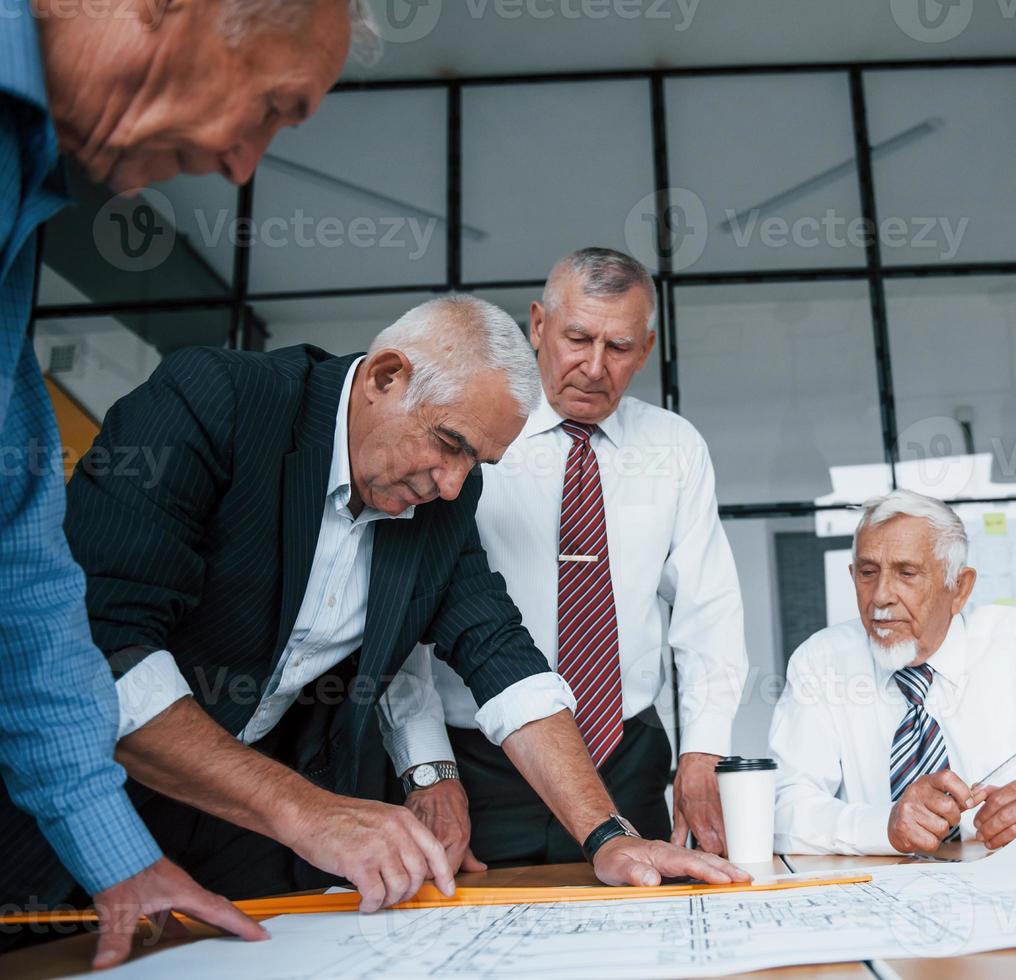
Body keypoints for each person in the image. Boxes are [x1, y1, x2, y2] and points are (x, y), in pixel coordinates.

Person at [0, 294, 748, 935]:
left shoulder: (442, 501)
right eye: (449, 444)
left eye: (476, 465)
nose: (455, 487)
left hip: (248, 830)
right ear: (387, 377)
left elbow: (500, 657)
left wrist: (607, 834)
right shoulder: (219, 402)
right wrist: (309, 812)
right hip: (69, 799)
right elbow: (103, 648)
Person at [0, 0, 369, 964]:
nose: (243, 165)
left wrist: (118, 857)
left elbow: (25, 575)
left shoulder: (25, 197)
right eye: (271, 105)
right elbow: (108, 624)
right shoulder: (221, 398)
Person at [381, 248, 748, 865]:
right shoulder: (468, 435)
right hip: (480, 766)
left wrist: (701, 754)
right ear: (538, 325)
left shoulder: (675, 448)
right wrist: (426, 767)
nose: (595, 366)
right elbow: (405, 615)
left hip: (627, 759)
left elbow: (707, 615)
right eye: (577, 337)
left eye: (620, 346)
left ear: (647, 347)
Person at [770, 490, 1016, 855]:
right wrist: (882, 827)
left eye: (907, 573)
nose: (881, 597)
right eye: (868, 572)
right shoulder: (821, 662)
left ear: (959, 588)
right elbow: (781, 806)